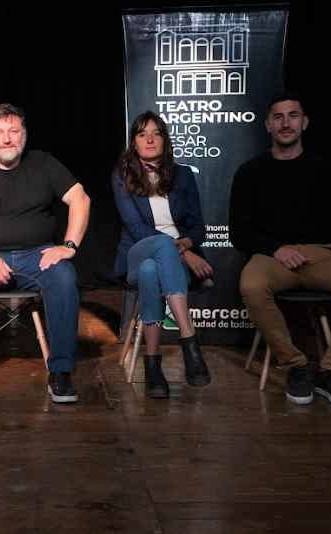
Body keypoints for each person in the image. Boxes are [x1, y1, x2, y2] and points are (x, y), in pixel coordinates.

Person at [229, 92, 331, 408]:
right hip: (273, 258)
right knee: (251, 284)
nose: (285, 123)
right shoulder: (249, 172)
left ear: (304, 123)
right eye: (278, 117)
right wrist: (276, 248)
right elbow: (240, 232)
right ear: (267, 125)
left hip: (322, 255)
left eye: (293, 115)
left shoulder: (326, 169)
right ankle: (296, 366)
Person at [0, 103, 91, 404]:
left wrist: (69, 246)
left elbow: (80, 199)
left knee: (64, 277)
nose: (7, 139)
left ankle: (61, 372)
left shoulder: (44, 164)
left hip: (36, 255)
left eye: (14, 131)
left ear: (24, 134)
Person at [113, 111, 213, 398]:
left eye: (156, 133)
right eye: (142, 134)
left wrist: (186, 244)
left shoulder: (183, 175)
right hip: (137, 251)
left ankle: (152, 365)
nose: (149, 139)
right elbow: (137, 228)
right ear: (133, 142)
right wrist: (185, 254)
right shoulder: (122, 176)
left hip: (167, 263)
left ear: (165, 140)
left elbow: (198, 226)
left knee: (151, 271)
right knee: (153, 254)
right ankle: (189, 339)